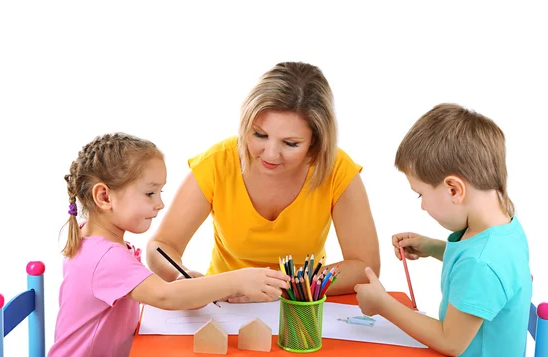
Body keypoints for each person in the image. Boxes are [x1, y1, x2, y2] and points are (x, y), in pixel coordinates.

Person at [147, 62, 381, 302]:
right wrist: (180, 276)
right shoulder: (218, 162)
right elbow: (162, 245)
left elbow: (364, 267)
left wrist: (279, 288)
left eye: (290, 143)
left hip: (302, 305)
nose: (270, 154)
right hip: (224, 304)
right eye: (259, 135)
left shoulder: (336, 169)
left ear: (316, 142)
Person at [48, 133, 290, 357]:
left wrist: (190, 288)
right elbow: (165, 297)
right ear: (104, 197)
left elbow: (159, 291)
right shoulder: (105, 256)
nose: (160, 204)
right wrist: (237, 280)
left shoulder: (96, 242)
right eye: (150, 193)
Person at [354, 104, 532, 356]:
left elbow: (451, 342)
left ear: (454, 190)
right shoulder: (505, 228)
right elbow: (481, 265)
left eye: (421, 195)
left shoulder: (480, 264)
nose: (424, 206)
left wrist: (383, 304)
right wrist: (435, 247)